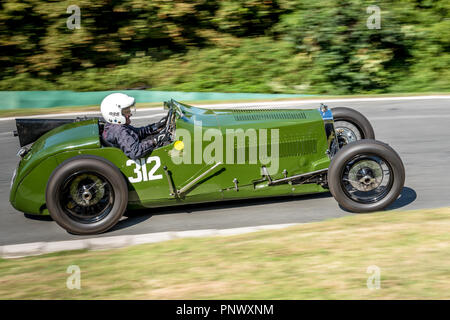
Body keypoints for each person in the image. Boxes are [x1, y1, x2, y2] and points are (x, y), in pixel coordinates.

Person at [100, 93, 167, 160]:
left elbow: (137, 132)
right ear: (116, 114)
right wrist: (155, 140)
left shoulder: (113, 126)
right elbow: (135, 152)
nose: (130, 114)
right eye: (126, 111)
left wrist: (155, 126)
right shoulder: (119, 130)